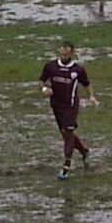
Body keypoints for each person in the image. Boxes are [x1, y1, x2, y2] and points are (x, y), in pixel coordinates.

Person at [39, 41, 96, 181]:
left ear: (72, 53)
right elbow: (41, 81)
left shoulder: (78, 70)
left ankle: (66, 166)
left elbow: (87, 84)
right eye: (62, 53)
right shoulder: (51, 66)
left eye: (67, 54)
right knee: (66, 134)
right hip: (56, 105)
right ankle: (84, 151)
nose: (64, 56)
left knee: (68, 132)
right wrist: (44, 89)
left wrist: (92, 96)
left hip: (71, 106)